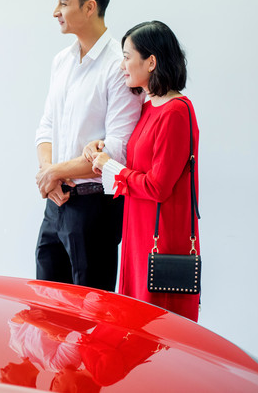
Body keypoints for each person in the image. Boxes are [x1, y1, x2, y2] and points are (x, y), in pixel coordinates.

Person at [34, 0, 144, 291]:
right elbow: (46, 127)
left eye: (63, 3)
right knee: (46, 310)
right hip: (56, 202)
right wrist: (49, 174)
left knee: (92, 319)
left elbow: (117, 151)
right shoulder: (61, 61)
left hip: (95, 208)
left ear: (90, 7)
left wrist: (54, 172)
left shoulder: (117, 66)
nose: (56, 11)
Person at [85, 20, 200, 321]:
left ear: (151, 61)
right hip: (139, 228)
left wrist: (110, 167)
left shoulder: (176, 112)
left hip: (160, 239)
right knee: (134, 322)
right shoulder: (150, 106)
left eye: (126, 56)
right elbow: (139, 164)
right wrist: (104, 150)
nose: (122, 64)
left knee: (156, 328)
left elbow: (159, 186)